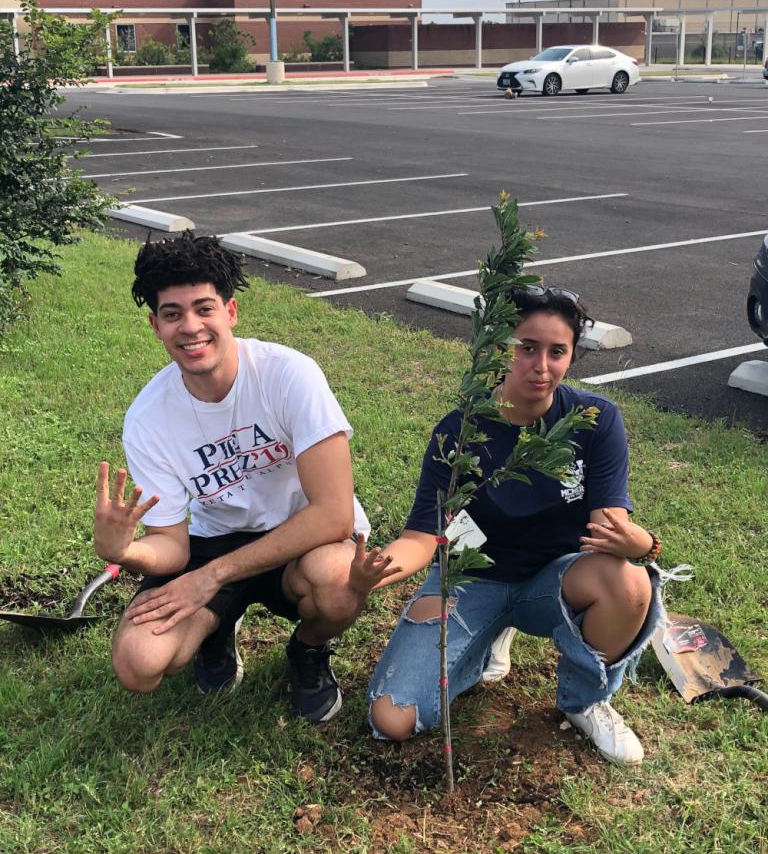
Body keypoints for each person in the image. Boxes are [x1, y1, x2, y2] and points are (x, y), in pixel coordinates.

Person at [95, 232, 397, 722]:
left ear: (230, 312)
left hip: (305, 536)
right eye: (173, 314)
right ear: (155, 325)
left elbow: (334, 514)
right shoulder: (149, 417)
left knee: (339, 584)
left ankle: (308, 651)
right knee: (139, 663)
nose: (190, 327)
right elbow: (172, 542)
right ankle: (216, 627)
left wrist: (209, 578)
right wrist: (122, 551)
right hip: (215, 539)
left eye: (204, 308)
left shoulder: (289, 375)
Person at [365, 286, 666, 766]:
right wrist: (376, 569)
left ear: (571, 356)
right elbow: (424, 535)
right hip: (473, 578)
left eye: (557, 351)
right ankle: (483, 641)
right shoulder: (459, 430)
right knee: (392, 719)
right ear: (501, 347)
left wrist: (642, 544)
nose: (541, 365)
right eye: (527, 347)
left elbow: (610, 527)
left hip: (554, 582)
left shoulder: (595, 421)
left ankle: (585, 701)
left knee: (627, 584)